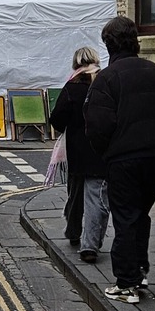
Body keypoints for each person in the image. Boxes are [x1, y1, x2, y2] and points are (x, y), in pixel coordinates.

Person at [84, 16, 155, 304]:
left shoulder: (107, 78)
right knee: (140, 213)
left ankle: (126, 282)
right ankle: (139, 271)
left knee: (125, 216)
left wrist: (109, 151)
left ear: (107, 44)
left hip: (123, 159)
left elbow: (97, 124)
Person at [49, 47, 110, 262]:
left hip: (76, 149)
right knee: (96, 197)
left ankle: (73, 230)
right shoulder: (105, 82)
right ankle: (90, 245)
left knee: (75, 193)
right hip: (101, 148)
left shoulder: (72, 85)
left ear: (76, 63)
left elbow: (56, 119)